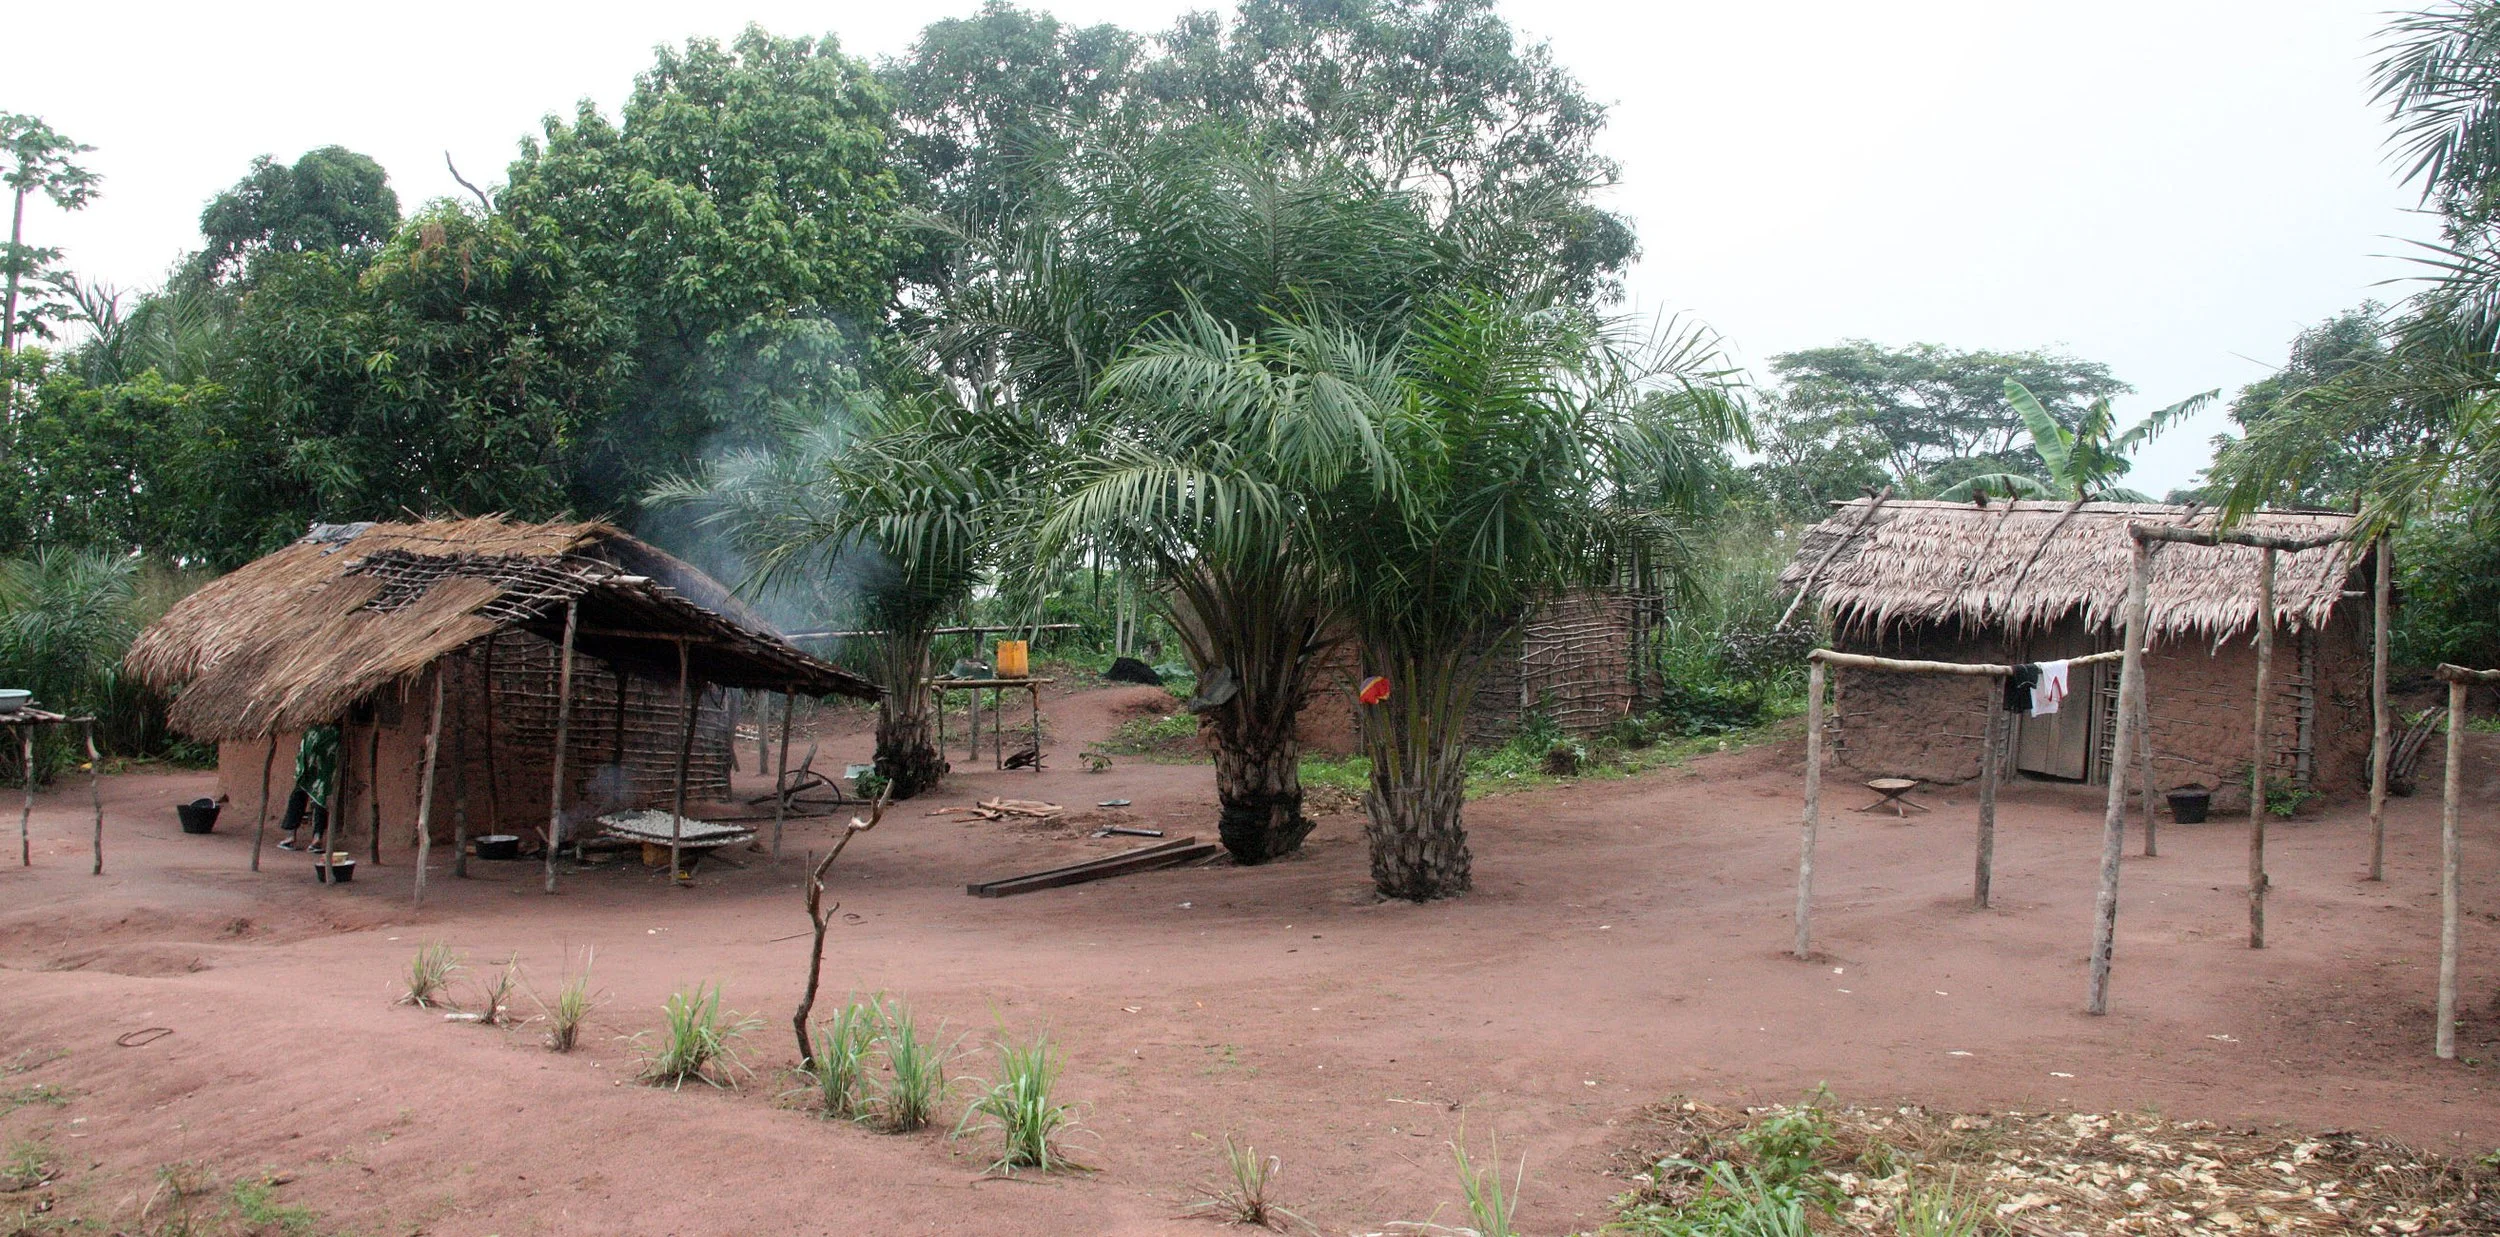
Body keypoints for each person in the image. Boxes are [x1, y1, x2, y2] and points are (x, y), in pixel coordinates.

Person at [276, 722, 341, 852]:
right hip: (323, 770)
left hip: (312, 768)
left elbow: (305, 751)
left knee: (302, 795)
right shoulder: (334, 732)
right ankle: (316, 837)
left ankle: (292, 836)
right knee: (319, 798)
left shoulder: (314, 730)